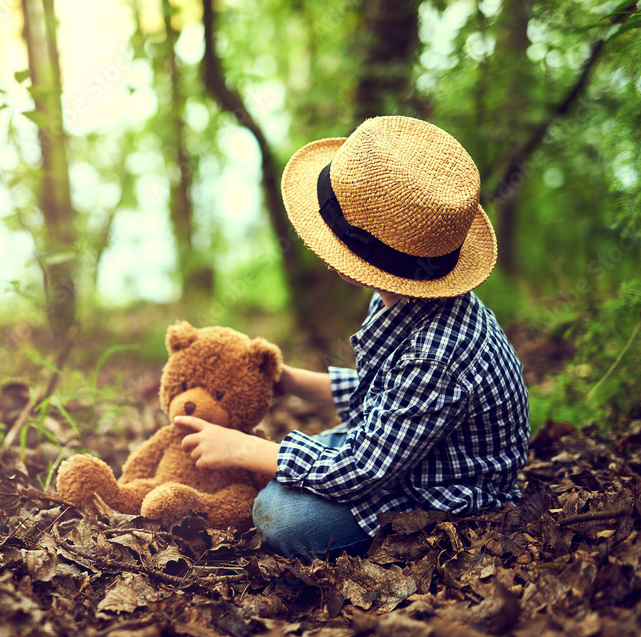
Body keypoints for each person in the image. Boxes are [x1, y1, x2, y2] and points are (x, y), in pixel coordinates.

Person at [172, 116, 530, 558]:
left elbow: (362, 467)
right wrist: (290, 380)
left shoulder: (438, 352)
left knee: (280, 516)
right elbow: (383, 394)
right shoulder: (401, 295)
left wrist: (243, 447)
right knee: (285, 470)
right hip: (404, 453)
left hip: (440, 488)